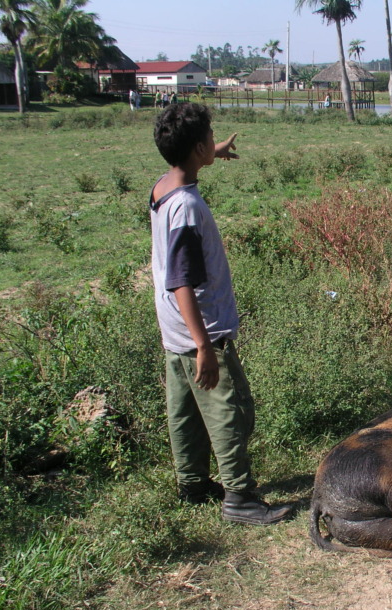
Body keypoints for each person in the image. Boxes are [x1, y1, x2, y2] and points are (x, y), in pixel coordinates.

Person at [149, 103, 294, 525]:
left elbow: (187, 168)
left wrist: (212, 154)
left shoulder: (164, 186)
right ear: (196, 147)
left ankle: (193, 484)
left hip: (172, 330)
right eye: (211, 139)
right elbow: (182, 282)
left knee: (186, 411)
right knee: (229, 411)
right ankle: (240, 499)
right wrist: (204, 347)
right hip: (202, 331)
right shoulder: (187, 209)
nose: (216, 143)